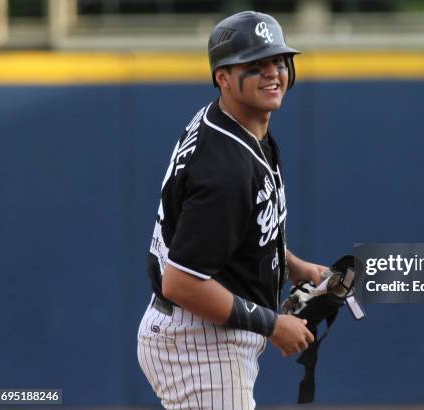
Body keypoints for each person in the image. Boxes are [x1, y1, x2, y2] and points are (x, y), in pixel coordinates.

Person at [137, 11, 327, 410]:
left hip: (202, 332)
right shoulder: (225, 167)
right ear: (222, 77)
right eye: (254, 66)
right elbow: (182, 283)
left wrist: (295, 266)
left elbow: (239, 231)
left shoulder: (234, 124)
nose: (272, 73)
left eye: (278, 60)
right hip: (199, 344)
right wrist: (273, 324)